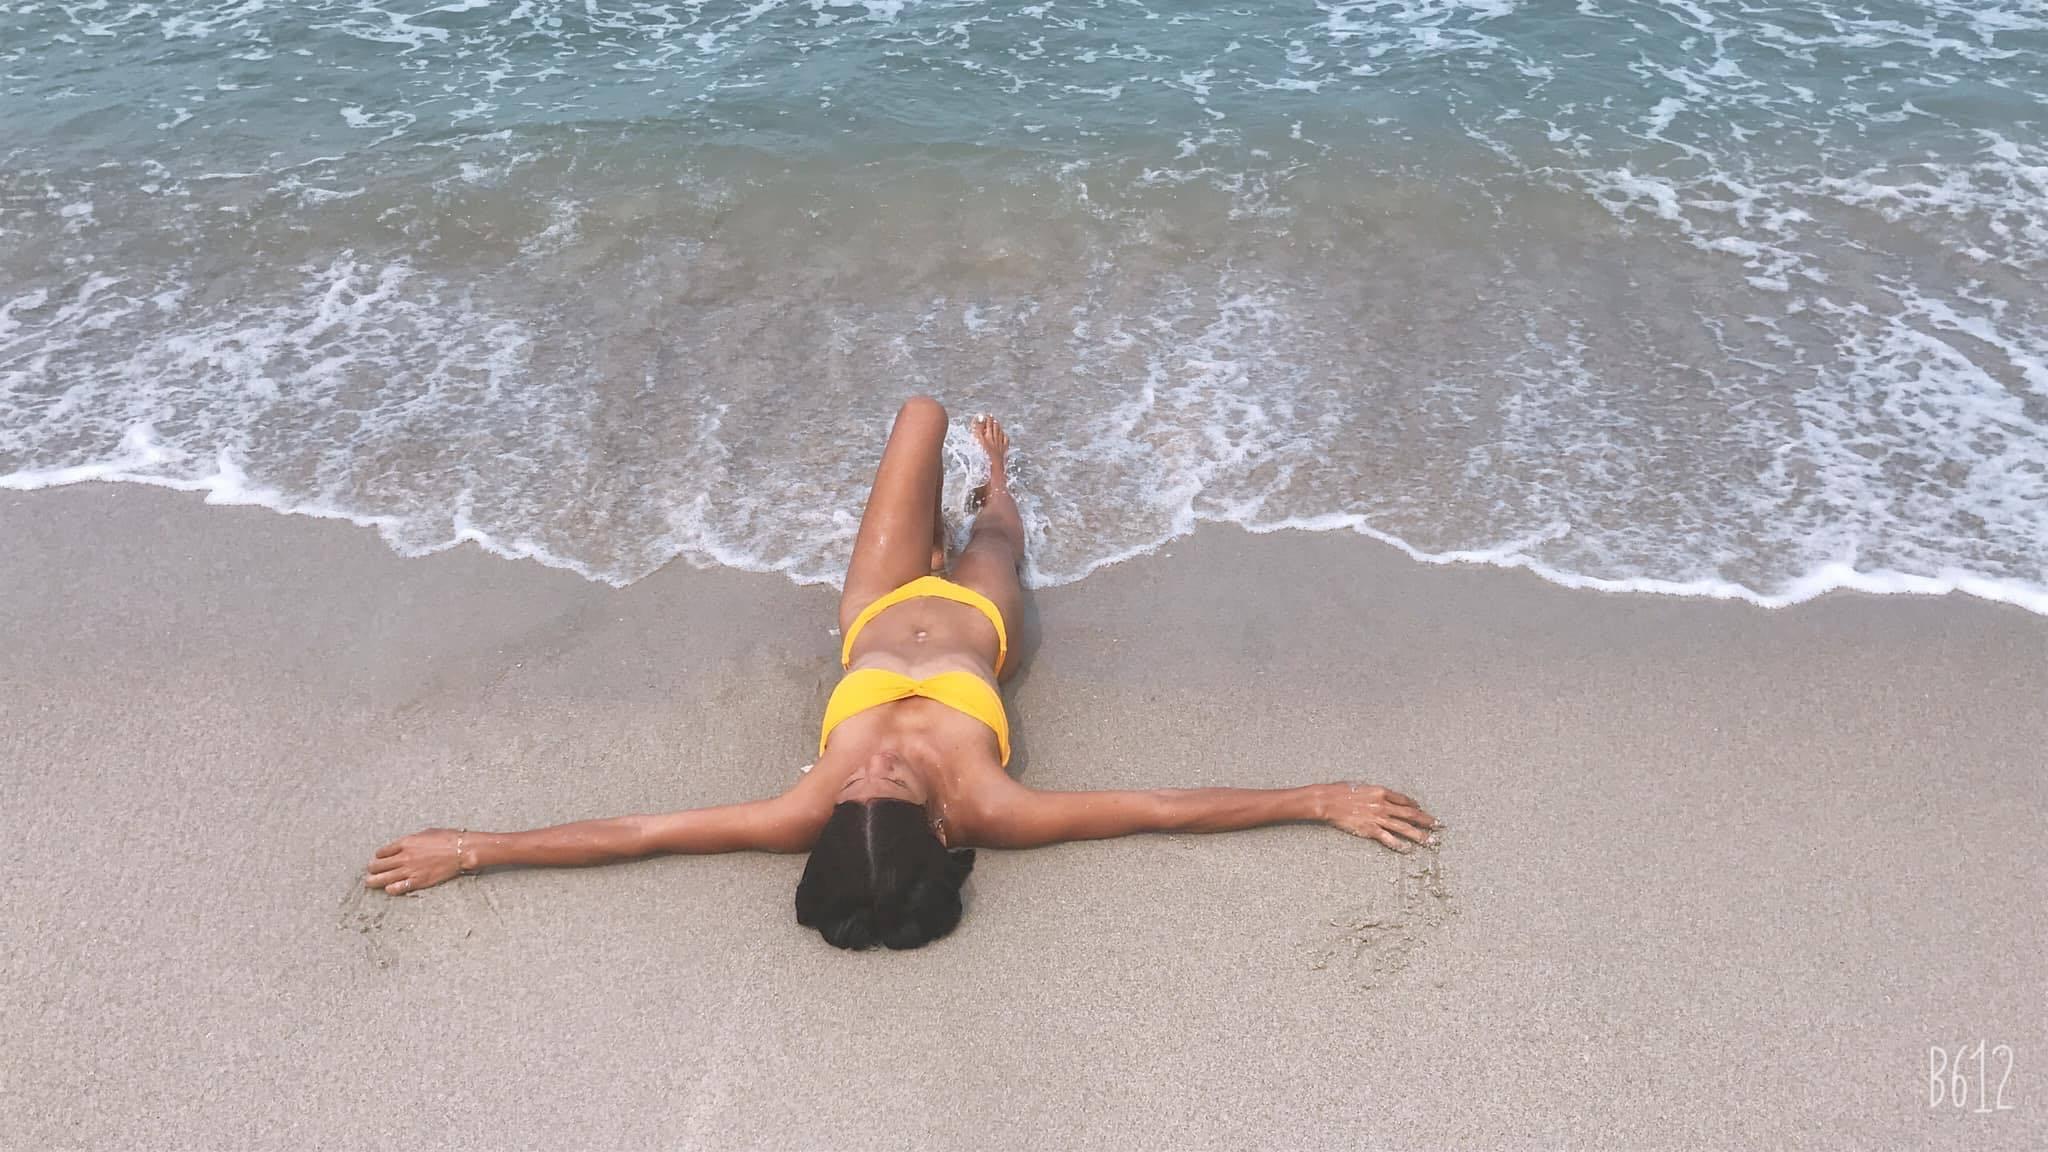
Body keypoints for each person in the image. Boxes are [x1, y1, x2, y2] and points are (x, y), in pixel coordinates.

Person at [366, 397, 1438, 949]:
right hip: (979, 625)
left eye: (853, 792)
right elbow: (1161, 809)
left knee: (919, 414)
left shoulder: (803, 811)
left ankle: (940, 513)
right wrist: (1316, 799)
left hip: (876, 609)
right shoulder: (990, 807)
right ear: (936, 830)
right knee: (999, 537)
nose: (866, 773)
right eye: (886, 790)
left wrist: (476, 847)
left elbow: (640, 832)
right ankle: (997, 482)